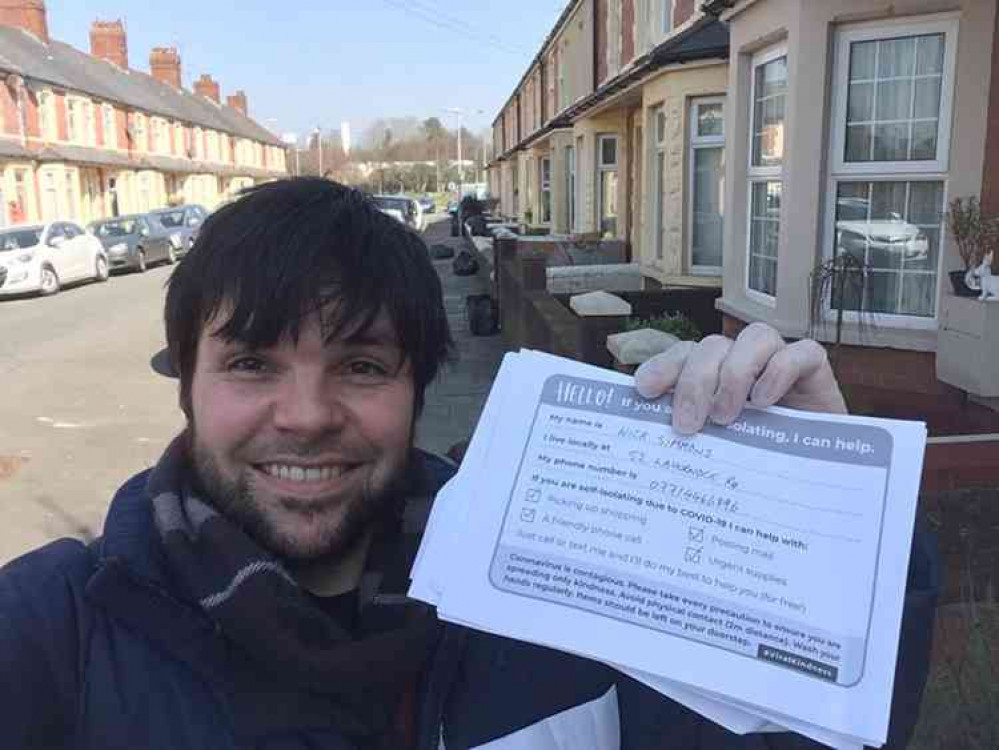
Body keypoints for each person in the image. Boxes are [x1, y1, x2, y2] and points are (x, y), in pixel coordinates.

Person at [0, 178, 936, 750]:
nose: (308, 415)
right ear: (187, 385)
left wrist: (827, 506)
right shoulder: (50, 633)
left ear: (416, 389)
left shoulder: (572, 597)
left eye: (362, 366)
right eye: (252, 362)